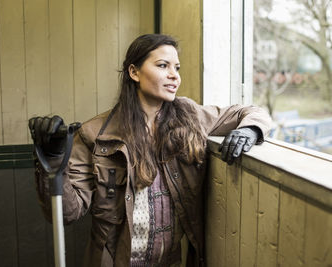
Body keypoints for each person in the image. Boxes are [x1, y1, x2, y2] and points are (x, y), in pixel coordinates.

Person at [29, 34, 272, 267]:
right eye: (163, 65)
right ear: (134, 72)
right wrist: (52, 161)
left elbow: (250, 111)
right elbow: (65, 214)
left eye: (177, 68)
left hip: (176, 260)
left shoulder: (190, 116)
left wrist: (250, 130)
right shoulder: (95, 134)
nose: (174, 76)